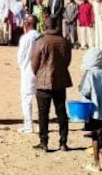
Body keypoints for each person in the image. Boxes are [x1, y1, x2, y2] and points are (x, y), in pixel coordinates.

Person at [29, 20, 72, 153]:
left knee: (43, 113)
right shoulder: (64, 41)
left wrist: (38, 73)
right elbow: (67, 60)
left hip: (43, 81)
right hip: (60, 80)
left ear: (45, 26)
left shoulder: (41, 41)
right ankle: (63, 142)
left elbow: (34, 62)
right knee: (61, 112)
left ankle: (44, 142)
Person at [78, 48, 102, 172]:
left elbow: (85, 90)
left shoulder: (89, 73)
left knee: (94, 136)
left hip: (92, 110)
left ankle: (96, 163)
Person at [16, 15, 38, 134]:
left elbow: (20, 56)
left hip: (28, 70)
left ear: (27, 24)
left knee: (26, 97)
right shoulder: (39, 36)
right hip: (40, 70)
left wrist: (22, 67)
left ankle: (28, 125)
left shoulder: (26, 38)